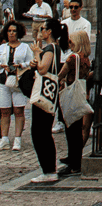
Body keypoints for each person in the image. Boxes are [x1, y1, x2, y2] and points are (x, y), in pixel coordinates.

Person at [30, 15, 62, 183]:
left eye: (42, 28)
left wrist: (37, 53)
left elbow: (43, 69)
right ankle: (49, 169)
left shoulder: (50, 48)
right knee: (42, 131)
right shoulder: (54, 48)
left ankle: (48, 170)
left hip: (45, 93)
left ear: (49, 32)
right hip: (49, 92)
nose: (40, 31)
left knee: (40, 132)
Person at [57, 29, 93, 177]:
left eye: (71, 40)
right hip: (80, 94)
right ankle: (74, 159)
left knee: (71, 130)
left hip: (71, 95)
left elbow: (60, 75)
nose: (69, 43)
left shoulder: (72, 58)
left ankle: (73, 163)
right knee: (77, 130)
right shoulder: (85, 58)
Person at [0, 19, 34, 151]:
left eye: (14, 31)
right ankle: (4, 139)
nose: (11, 33)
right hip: (3, 81)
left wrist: (21, 65)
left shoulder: (25, 47)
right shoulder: (2, 48)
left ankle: (17, 139)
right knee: (4, 111)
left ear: (18, 32)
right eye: (9, 31)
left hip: (18, 82)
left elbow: (31, 62)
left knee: (19, 111)